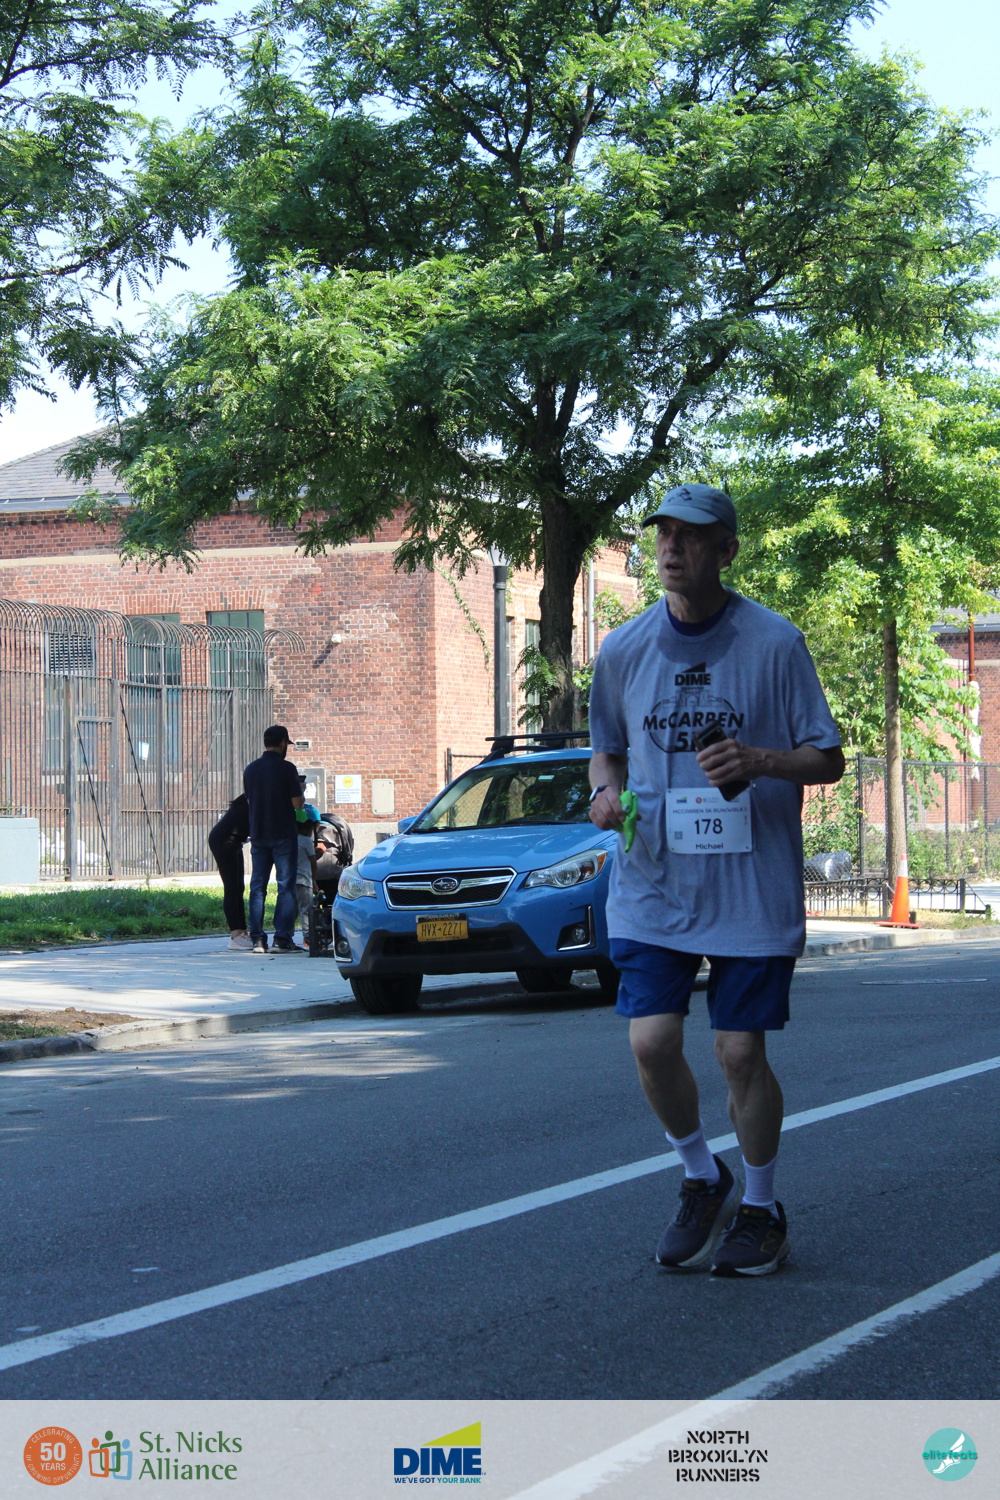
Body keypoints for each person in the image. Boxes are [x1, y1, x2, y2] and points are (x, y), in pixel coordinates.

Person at [588, 483, 844, 1277]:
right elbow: (606, 750)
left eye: (692, 536)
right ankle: (703, 1175)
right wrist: (603, 794)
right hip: (654, 881)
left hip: (749, 887)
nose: (671, 548)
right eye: (663, 533)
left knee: (738, 1053)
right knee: (651, 1041)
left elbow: (828, 757)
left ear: (726, 550)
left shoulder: (775, 643)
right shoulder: (623, 649)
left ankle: (762, 1207)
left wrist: (761, 759)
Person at [243, 724, 306, 954]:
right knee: (285, 887)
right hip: (283, 834)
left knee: (257, 887)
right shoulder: (287, 768)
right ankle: (282, 939)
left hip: (259, 833)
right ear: (282, 743)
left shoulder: (250, 769)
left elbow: (250, 801)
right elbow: (297, 804)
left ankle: (257, 940)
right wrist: (301, 789)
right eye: (286, 744)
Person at [208, 793, 251, 951]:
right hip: (224, 840)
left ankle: (243, 932)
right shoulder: (254, 797)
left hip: (234, 841)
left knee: (239, 887)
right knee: (232, 887)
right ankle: (235, 935)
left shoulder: (254, 796)